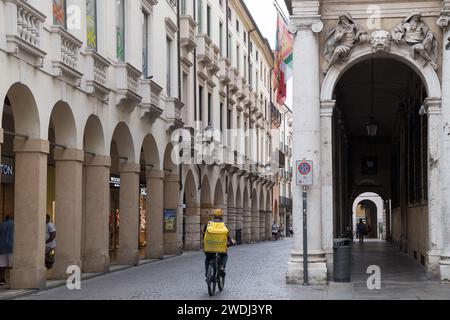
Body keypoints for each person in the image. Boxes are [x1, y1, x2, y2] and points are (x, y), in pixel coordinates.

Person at [203, 209, 234, 278]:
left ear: (213, 216)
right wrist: (231, 242)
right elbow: (227, 236)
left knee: (208, 258)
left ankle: (206, 273)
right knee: (225, 255)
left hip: (209, 247)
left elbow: (204, 235)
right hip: (220, 248)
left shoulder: (208, 224)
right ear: (221, 216)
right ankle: (222, 267)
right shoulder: (224, 225)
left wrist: (204, 244)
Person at [0, 216, 13, 286]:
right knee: (12, 264)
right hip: (11, 247)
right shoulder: (14, 224)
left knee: (2, 265)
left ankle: (2, 279)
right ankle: (12, 279)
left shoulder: (1, 225)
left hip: (1, 247)